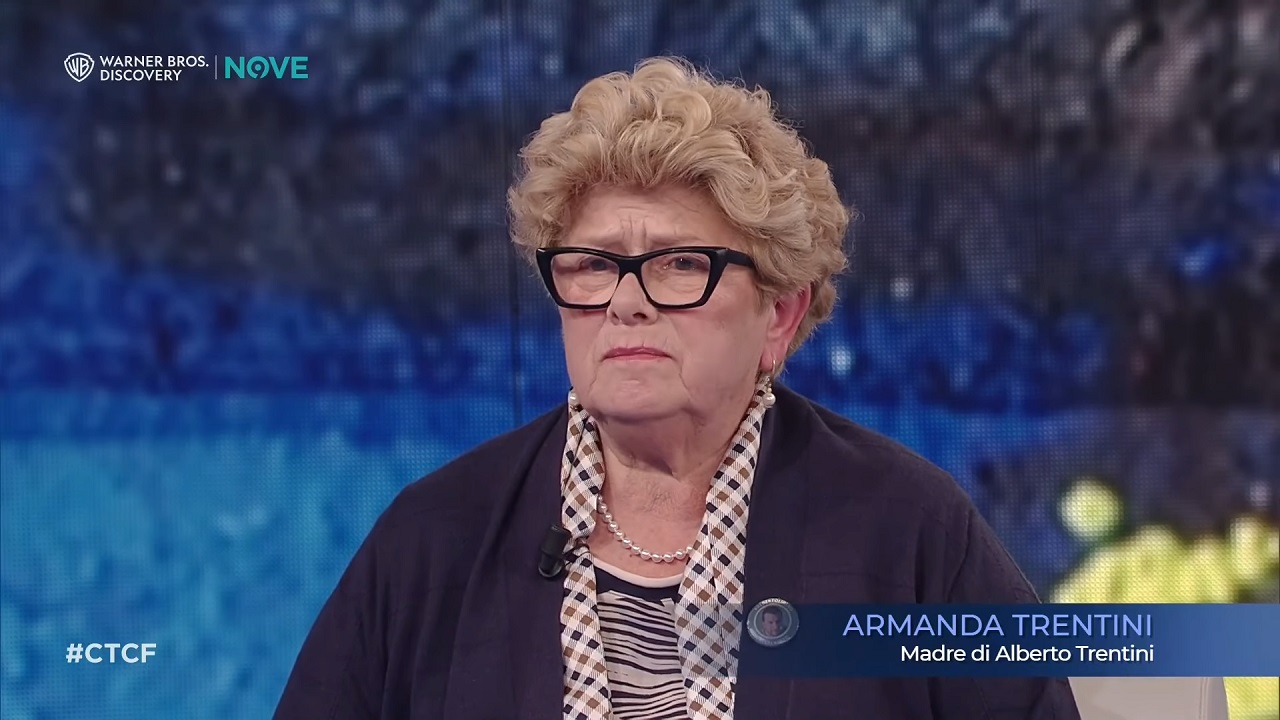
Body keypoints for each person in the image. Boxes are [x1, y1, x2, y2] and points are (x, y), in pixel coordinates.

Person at [275, 57, 1081, 720]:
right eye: (592, 265)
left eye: (679, 264)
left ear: (779, 313)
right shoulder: (434, 537)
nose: (626, 301)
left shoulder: (908, 532)